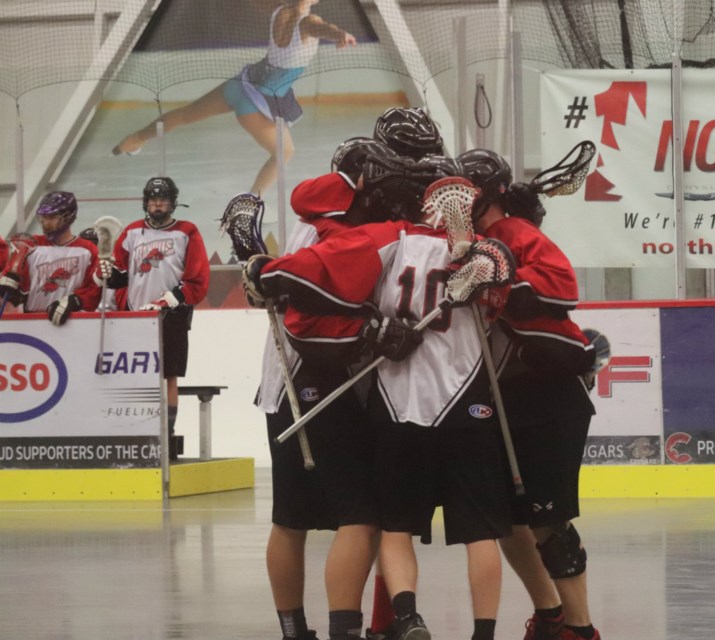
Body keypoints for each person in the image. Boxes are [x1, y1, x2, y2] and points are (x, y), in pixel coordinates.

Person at [243, 157, 513, 640]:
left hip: (395, 402)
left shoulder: (383, 235)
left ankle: (396, 617)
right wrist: (370, 328)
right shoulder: (480, 249)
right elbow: (503, 283)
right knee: (464, 530)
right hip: (458, 395)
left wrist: (263, 268)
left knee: (382, 522)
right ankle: (477, 633)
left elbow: (299, 278)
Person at [253, 138, 400, 640]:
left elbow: (273, 288)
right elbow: (316, 297)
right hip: (312, 378)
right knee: (361, 515)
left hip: (280, 384)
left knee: (289, 518)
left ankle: (294, 632)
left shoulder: (310, 218)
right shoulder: (342, 226)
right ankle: (345, 633)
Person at [459, 148, 605, 640]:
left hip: (548, 398)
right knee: (504, 520)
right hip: (501, 401)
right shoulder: (468, 241)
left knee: (550, 523)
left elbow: (563, 289)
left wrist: (503, 277)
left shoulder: (516, 235)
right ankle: (550, 614)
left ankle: (580, 630)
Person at [111, 0, 356, 195]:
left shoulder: (279, 10)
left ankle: (133, 140)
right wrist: (340, 34)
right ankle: (247, 208)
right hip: (256, 102)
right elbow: (322, 28)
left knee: (186, 114)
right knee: (284, 153)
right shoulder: (309, 20)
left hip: (241, 84)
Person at [99, 177, 210, 461]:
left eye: (162, 200)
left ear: (173, 202)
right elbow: (121, 275)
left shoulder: (187, 231)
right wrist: (104, 274)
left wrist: (165, 301)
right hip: (135, 315)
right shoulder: (133, 232)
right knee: (136, 374)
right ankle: (136, 432)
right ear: (145, 202)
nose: (157, 205)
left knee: (168, 375)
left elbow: (197, 280)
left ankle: (166, 433)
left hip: (171, 315)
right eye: (152, 200)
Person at [0, 191, 100, 325]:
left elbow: (93, 289)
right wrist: (10, 281)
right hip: (31, 320)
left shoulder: (88, 250)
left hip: (72, 322)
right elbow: (17, 287)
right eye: (44, 217)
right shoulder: (30, 245)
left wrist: (76, 300)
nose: (46, 222)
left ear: (68, 217)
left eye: (52, 217)